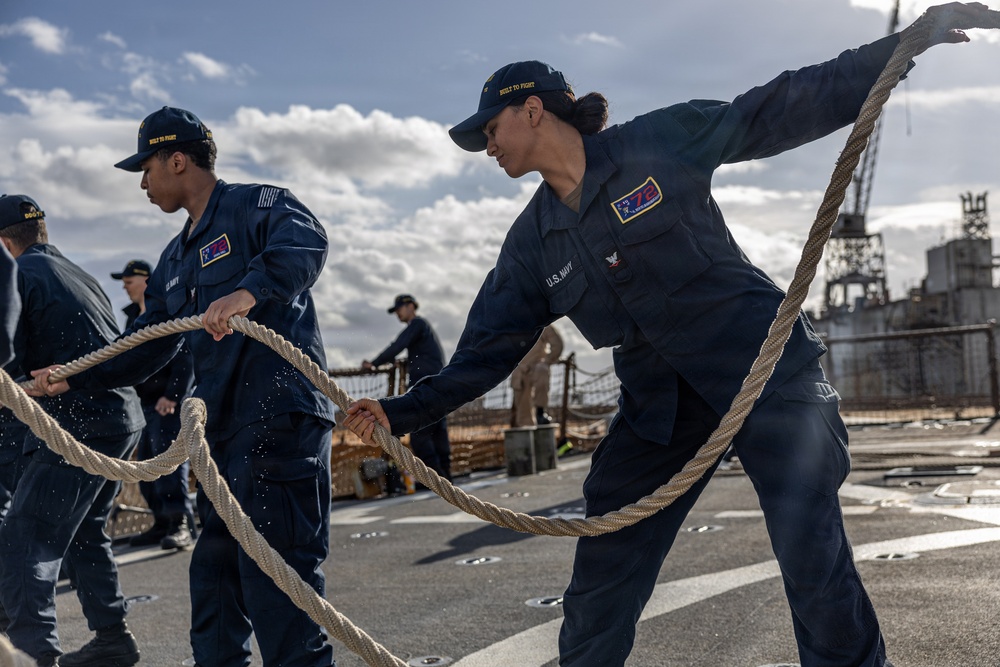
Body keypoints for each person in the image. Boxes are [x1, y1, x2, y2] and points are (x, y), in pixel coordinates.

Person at [345, 5, 985, 666]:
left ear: (532, 111)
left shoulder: (657, 143)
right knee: (601, 579)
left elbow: (775, 107)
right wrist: (396, 411)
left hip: (764, 371)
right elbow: (484, 353)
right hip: (659, 409)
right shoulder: (533, 245)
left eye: (491, 128)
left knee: (814, 564)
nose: (488, 144)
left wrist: (903, 46)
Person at [32, 106, 337, 667]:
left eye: (145, 169)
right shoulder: (174, 259)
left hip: (277, 425)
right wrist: (68, 377)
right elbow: (145, 344)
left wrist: (248, 291)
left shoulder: (258, 206)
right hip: (220, 441)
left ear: (178, 160)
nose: (143, 184)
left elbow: (307, 241)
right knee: (214, 594)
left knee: (278, 594)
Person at [0, 194, 144, 667]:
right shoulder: (75, 272)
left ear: (3, 244)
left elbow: (8, 359)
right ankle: (112, 638)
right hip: (119, 421)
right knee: (84, 533)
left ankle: (31, 657)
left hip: (78, 421)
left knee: (26, 537)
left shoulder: (20, 276)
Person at [111, 259, 197, 550]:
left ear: (147, 280)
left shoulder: (169, 311)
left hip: (167, 404)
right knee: (146, 465)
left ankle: (179, 524)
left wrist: (173, 395)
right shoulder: (133, 317)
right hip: (144, 404)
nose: (124, 286)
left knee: (169, 465)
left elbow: (186, 353)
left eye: (129, 281)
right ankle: (161, 523)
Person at [362, 294, 451, 480]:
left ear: (411, 306)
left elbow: (398, 345)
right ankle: (446, 477)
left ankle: (435, 479)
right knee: (437, 430)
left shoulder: (417, 325)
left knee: (420, 433)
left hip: (427, 387)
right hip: (438, 386)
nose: (397, 314)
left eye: (399, 309)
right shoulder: (423, 329)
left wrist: (375, 363)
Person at [511, 324, 563, 426]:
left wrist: (546, 361)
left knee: (542, 371)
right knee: (523, 414)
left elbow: (557, 345)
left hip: (537, 367)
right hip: (520, 371)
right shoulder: (512, 325)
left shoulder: (543, 324)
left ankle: (540, 413)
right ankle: (525, 431)